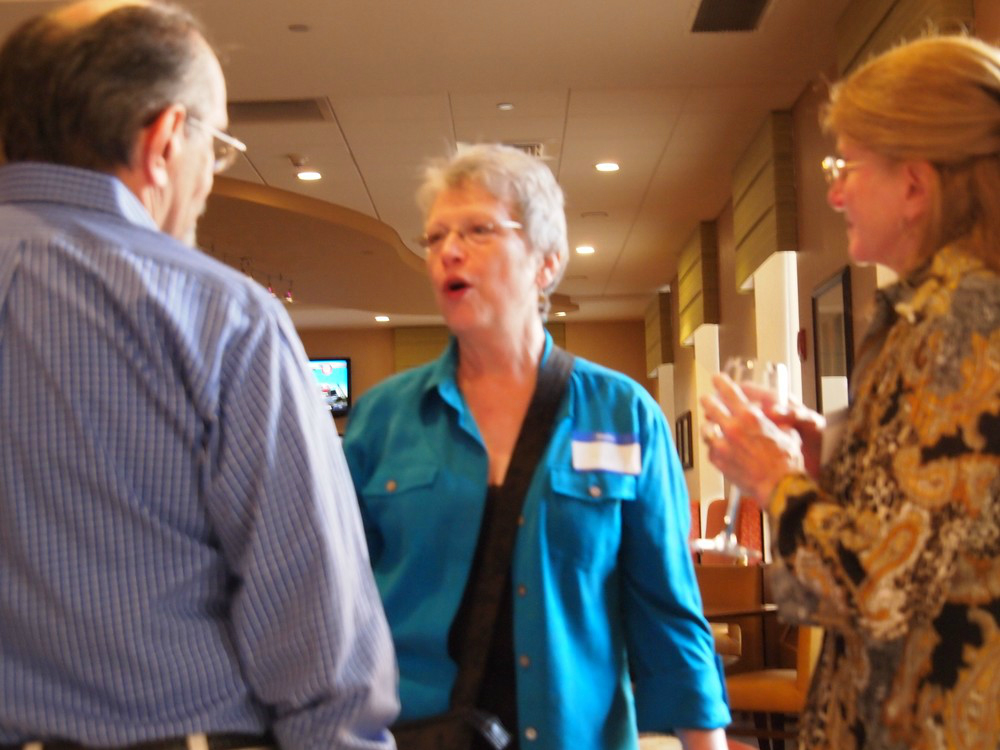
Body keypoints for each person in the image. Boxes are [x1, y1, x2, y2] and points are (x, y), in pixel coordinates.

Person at [0, 2, 398, 748]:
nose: (210, 182)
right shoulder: (224, 319)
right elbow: (321, 650)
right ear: (163, 140)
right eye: (214, 150)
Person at [343, 143, 730, 750]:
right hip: (413, 735)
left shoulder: (623, 414)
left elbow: (667, 610)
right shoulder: (381, 420)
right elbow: (338, 607)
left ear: (546, 264)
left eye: (478, 230)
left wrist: (705, 743)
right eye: (435, 236)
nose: (449, 250)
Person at [701, 34, 1000, 750]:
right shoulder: (921, 318)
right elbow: (928, 532)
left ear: (914, 186)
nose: (834, 192)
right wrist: (823, 457)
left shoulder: (963, 327)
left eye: (846, 166)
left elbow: (886, 591)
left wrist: (775, 481)